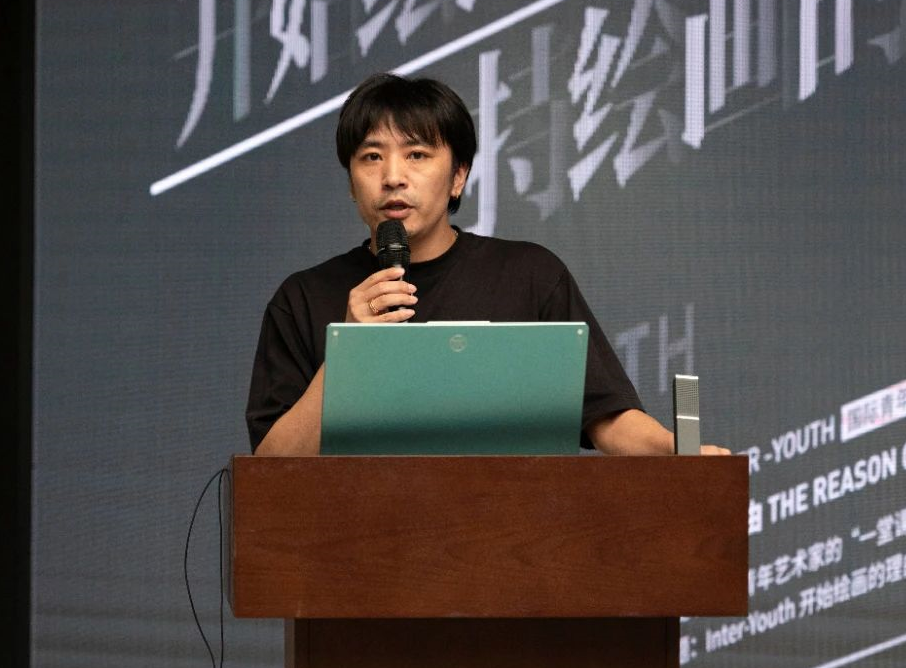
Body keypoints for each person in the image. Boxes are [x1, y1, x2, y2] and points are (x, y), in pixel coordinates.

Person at [246, 72, 728, 457]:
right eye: (371, 157)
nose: (393, 177)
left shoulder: (529, 275)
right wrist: (348, 355)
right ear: (352, 182)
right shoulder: (302, 298)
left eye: (417, 155)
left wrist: (676, 450)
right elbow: (270, 466)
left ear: (458, 176)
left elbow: (605, 416)